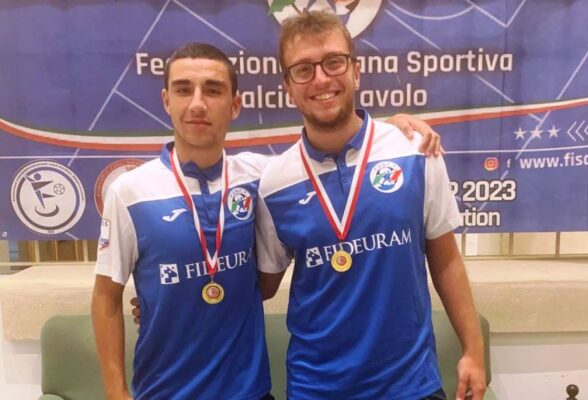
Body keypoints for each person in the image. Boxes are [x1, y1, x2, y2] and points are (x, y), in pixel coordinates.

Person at [92, 42, 442, 399]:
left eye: (213, 90)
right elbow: (106, 297)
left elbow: (331, 147)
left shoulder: (262, 178)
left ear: (235, 105)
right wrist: (116, 392)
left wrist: (392, 129)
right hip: (164, 392)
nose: (197, 104)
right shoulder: (130, 192)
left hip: (250, 391)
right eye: (183, 90)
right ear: (167, 101)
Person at [255, 10, 486, 400]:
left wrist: (473, 351)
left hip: (410, 384)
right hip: (317, 388)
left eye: (333, 62)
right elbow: (260, 288)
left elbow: (446, 260)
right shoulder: (275, 182)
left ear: (356, 71)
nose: (321, 79)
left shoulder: (414, 151)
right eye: (303, 69)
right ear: (288, 87)